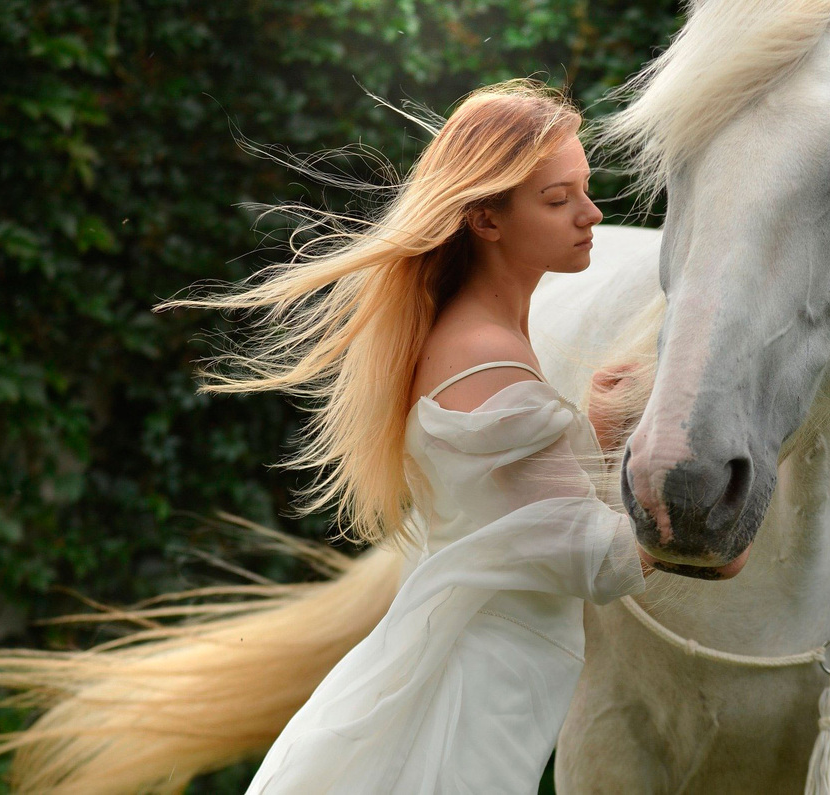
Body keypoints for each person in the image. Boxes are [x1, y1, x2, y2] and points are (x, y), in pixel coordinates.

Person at [211, 80, 651, 792]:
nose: (592, 214)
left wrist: (596, 432)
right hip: (475, 691)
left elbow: (514, 516)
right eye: (557, 198)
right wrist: (705, 526)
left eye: (585, 189)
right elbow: (595, 563)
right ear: (486, 218)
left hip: (484, 668)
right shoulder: (486, 352)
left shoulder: (483, 332)